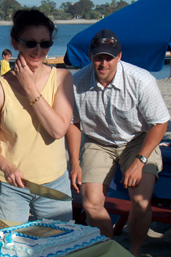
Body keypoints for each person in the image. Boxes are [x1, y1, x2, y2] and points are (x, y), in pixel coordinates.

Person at [66, 28, 170, 257]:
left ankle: (134, 250)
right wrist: (74, 162)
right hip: (97, 141)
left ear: (119, 56)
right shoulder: (76, 82)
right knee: (91, 203)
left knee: (141, 201)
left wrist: (140, 161)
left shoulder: (141, 81)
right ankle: (111, 248)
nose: (104, 63)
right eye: (98, 57)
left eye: (109, 57)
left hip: (137, 139)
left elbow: (160, 123)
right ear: (90, 56)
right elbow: (72, 123)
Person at [0, 9, 74, 223]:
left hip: (54, 183)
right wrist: (7, 167)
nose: (38, 50)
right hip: (10, 186)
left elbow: (58, 130)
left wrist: (30, 88)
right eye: (31, 43)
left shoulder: (62, 78)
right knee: (8, 249)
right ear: (15, 43)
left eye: (45, 43)